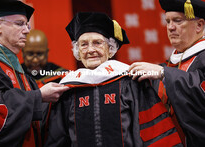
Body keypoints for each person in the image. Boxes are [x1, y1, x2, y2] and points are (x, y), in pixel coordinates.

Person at [44, 12, 182, 147]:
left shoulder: (130, 81)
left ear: (110, 49)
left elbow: (154, 131)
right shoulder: (68, 89)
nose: (90, 49)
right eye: (84, 44)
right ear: (77, 52)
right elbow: (58, 138)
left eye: (97, 43)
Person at [0, 0, 69, 146]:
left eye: (27, 25)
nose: (27, 30)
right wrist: (39, 96)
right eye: (19, 24)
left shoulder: (16, 67)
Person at [128, 0, 205, 146]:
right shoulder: (171, 63)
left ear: (199, 25)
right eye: (167, 21)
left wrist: (165, 73)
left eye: (177, 21)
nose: (170, 27)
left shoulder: (169, 69)